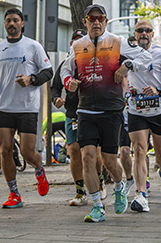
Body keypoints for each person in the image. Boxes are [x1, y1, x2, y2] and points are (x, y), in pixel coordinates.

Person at [61, 4, 152, 223]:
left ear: (105, 20)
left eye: (100, 18)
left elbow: (146, 59)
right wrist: (69, 82)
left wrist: (127, 65)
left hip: (111, 110)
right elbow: (64, 69)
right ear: (85, 21)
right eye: (92, 19)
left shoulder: (117, 42)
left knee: (110, 161)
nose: (96, 22)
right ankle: (97, 206)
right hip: (85, 109)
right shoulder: (78, 45)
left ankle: (120, 186)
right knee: (87, 157)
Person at [0, 8, 54, 207]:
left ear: (22, 24)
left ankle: (39, 170)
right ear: (4, 24)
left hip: (27, 107)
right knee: (5, 151)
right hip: (4, 107)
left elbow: (48, 72)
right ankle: (14, 194)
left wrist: (32, 79)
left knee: (27, 152)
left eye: (15, 20)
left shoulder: (33, 46)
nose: (12, 24)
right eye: (8, 21)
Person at [52, 28, 111, 206]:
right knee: (74, 151)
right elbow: (54, 87)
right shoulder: (66, 64)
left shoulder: (96, 62)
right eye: (75, 41)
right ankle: (80, 192)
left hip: (94, 112)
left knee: (95, 153)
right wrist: (56, 99)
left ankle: (99, 182)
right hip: (73, 113)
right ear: (72, 45)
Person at [126, 19, 161, 213]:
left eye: (147, 30)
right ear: (135, 33)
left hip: (158, 110)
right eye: (140, 30)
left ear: (152, 34)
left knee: (160, 153)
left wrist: (159, 90)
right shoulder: (128, 52)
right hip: (136, 110)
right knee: (139, 150)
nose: (144, 34)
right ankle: (141, 195)